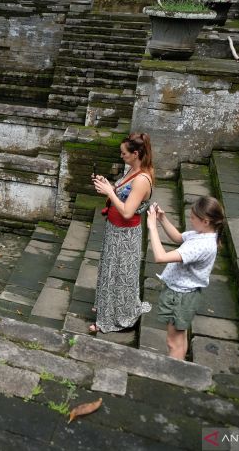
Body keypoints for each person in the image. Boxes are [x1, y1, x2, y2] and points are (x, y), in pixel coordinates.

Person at [90, 132, 154, 333]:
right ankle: (106, 310)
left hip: (125, 235)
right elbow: (122, 193)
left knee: (120, 275)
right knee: (111, 271)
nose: (121, 156)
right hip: (115, 229)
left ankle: (116, 318)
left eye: (124, 153)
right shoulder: (132, 169)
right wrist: (108, 185)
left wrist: (109, 192)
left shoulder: (142, 179)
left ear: (136, 153)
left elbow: (127, 211)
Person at [147, 197, 225, 359]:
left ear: (205, 221)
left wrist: (152, 227)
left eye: (193, 217)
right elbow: (178, 237)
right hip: (182, 294)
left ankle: (173, 376)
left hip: (181, 297)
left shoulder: (202, 245)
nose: (190, 220)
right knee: (179, 338)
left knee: (173, 342)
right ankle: (180, 368)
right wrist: (162, 219)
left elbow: (160, 257)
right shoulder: (202, 234)